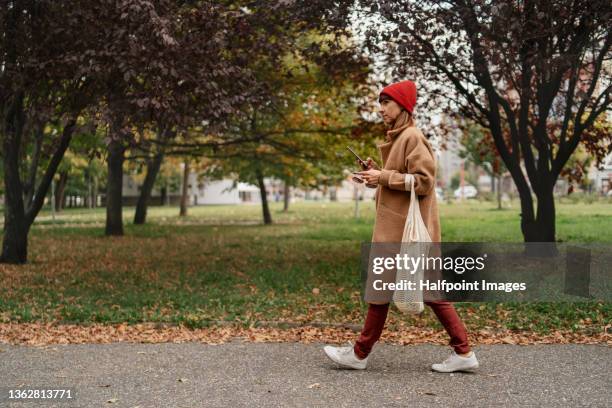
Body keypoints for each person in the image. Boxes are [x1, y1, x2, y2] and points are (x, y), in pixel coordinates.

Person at [323, 80, 479, 373]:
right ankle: (462, 351)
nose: (381, 109)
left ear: (403, 106)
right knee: (407, 291)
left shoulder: (412, 136)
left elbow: (423, 182)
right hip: (398, 229)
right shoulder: (399, 138)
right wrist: (375, 173)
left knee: (397, 290)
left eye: (386, 102)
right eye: (380, 102)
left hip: (406, 232)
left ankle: (359, 355)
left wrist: (382, 177)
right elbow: (400, 178)